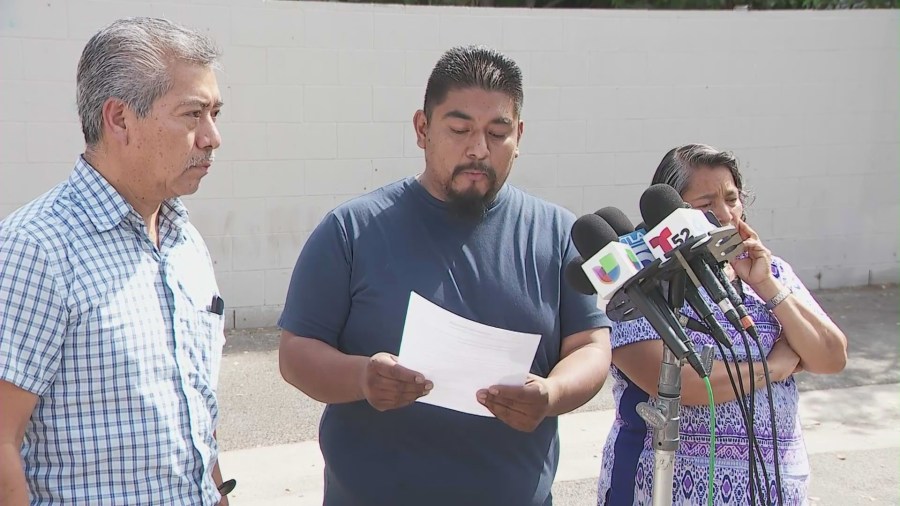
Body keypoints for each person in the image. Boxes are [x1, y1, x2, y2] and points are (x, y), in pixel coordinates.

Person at [278, 45, 612, 506]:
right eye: (459, 129)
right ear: (422, 129)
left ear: (520, 134)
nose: (478, 149)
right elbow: (296, 353)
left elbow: (591, 345)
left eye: (498, 133)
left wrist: (551, 393)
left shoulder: (556, 234)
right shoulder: (351, 231)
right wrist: (362, 378)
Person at [0, 18, 230, 505]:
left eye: (215, 113)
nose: (212, 137)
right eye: (193, 115)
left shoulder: (184, 241)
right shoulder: (36, 248)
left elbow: (193, 417)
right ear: (120, 119)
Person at [596, 144, 848, 505]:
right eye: (706, 204)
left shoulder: (771, 271)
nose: (725, 214)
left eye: (732, 199)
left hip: (772, 490)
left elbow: (832, 357)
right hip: (666, 489)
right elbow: (682, 385)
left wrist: (766, 286)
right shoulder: (642, 285)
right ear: (670, 216)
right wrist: (773, 367)